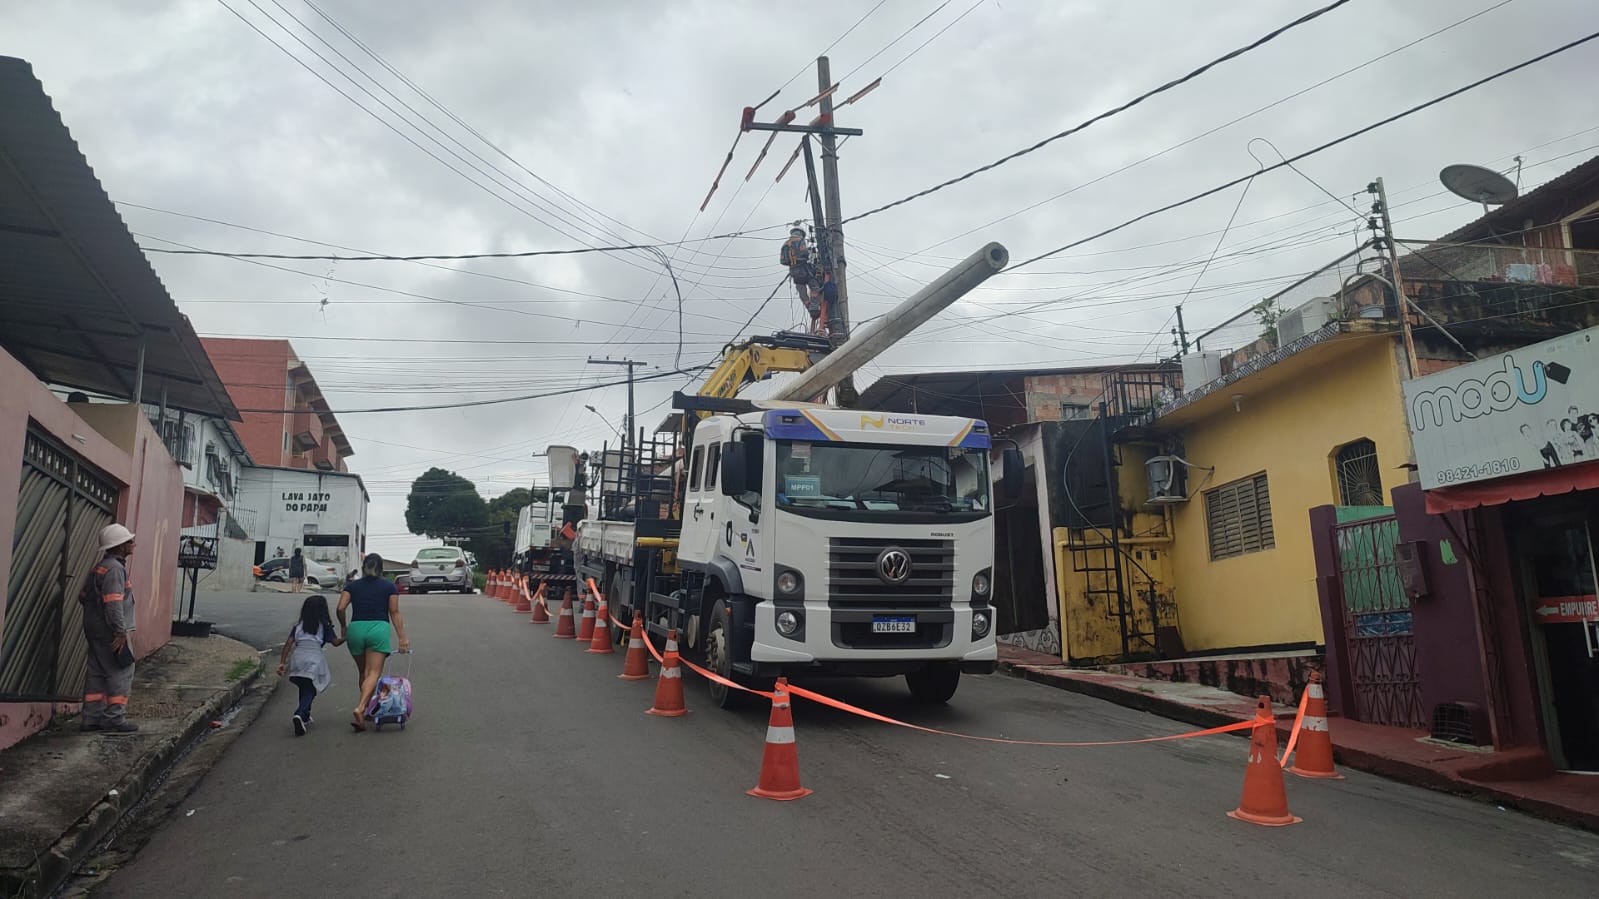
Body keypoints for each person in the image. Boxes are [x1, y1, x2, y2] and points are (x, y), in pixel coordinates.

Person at [337, 553, 408, 732]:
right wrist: (402, 637)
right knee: (374, 672)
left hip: (356, 629)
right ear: (381, 568)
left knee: (364, 672)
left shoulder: (352, 586)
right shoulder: (389, 586)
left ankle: (367, 709)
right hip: (378, 628)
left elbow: (340, 608)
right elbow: (394, 611)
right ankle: (361, 708)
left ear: (363, 566)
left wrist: (344, 627)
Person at [81, 523, 139, 734]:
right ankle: (114, 718)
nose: (133, 544)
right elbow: (114, 604)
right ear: (120, 546)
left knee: (96, 672)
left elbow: (83, 596)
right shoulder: (115, 569)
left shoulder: (101, 566)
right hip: (110, 630)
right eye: (129, 541)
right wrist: (119, 632)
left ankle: (91, 718)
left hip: (94, 628)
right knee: (121, 671)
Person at [276, 595, 344, 736]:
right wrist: (346, 636)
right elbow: (336, 642)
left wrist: (282, 663)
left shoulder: (298, 626)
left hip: (298, 658)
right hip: (313, 659)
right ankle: (299, 713)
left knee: (304, 685)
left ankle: (305, 715)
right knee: (311, 689)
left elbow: (289, 643)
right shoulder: (324, 626)